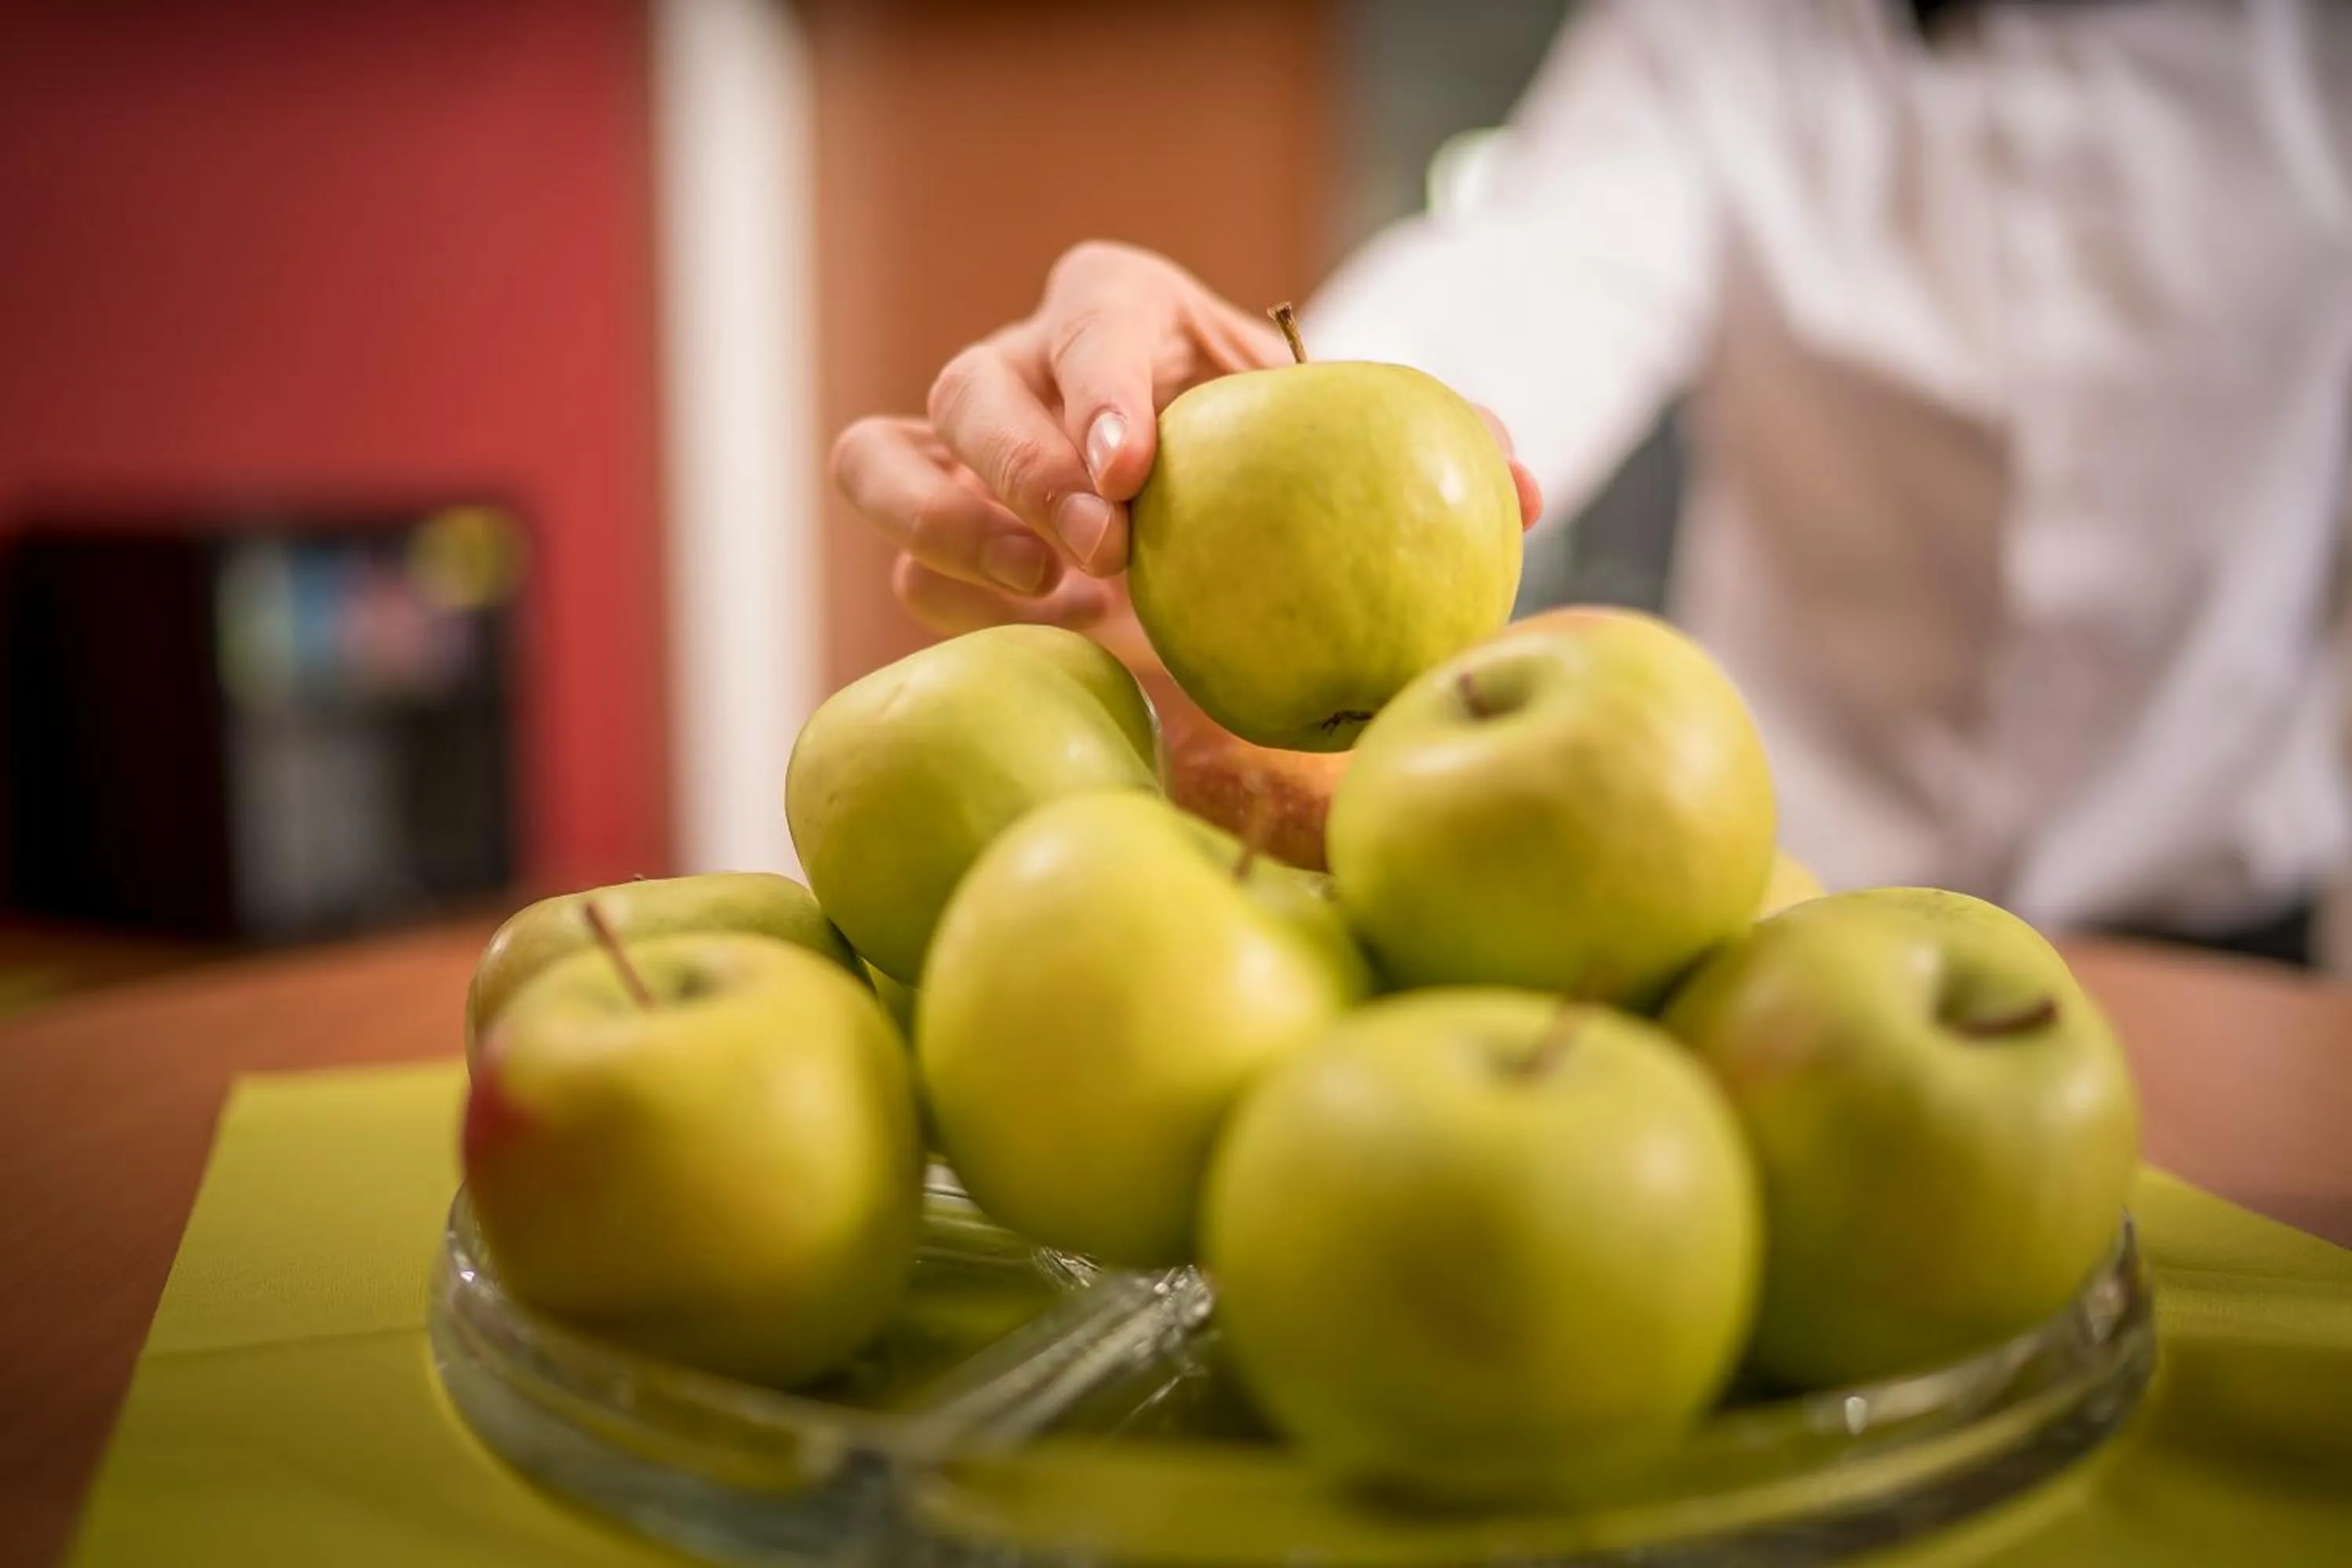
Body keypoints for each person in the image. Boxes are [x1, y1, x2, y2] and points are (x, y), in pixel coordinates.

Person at [829, 0, 2352, 968]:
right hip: (1745, 912)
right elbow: (1523, 286)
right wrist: (1192, 444)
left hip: (2243, 933)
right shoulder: (1722, 37)